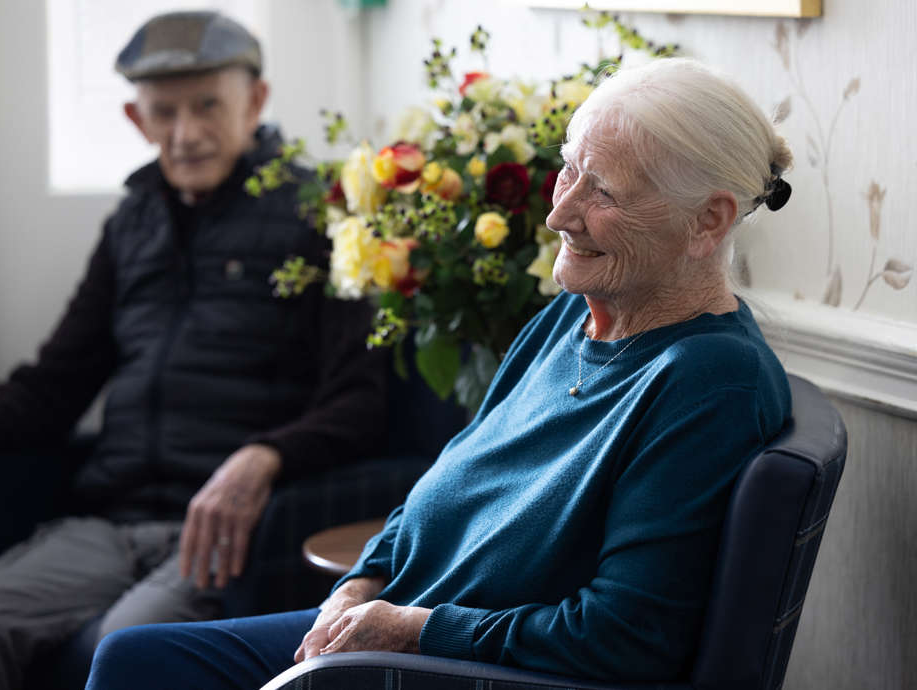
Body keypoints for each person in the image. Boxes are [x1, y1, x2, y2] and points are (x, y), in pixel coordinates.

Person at [85, 57, 795, 688]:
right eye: (567, 168)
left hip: (458, 665)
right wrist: (362, 581)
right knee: (134, 658)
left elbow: (625, 638)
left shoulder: (709, 381)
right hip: (394, 628)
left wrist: (409, 630)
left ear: (708, 221)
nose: (558, 211)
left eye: (602, 192)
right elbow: (450, 473)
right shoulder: (571, 315)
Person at [0, 11, 387, 690]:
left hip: (218, 536)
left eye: (208, 105)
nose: (186, 133)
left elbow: (363, 397)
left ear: (255, 101)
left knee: (123, 652)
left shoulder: (317, 216)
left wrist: (266, 456)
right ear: (135, 118)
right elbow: (54, 386)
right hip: (104, 521)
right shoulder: (131, 223)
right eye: (164, 113)